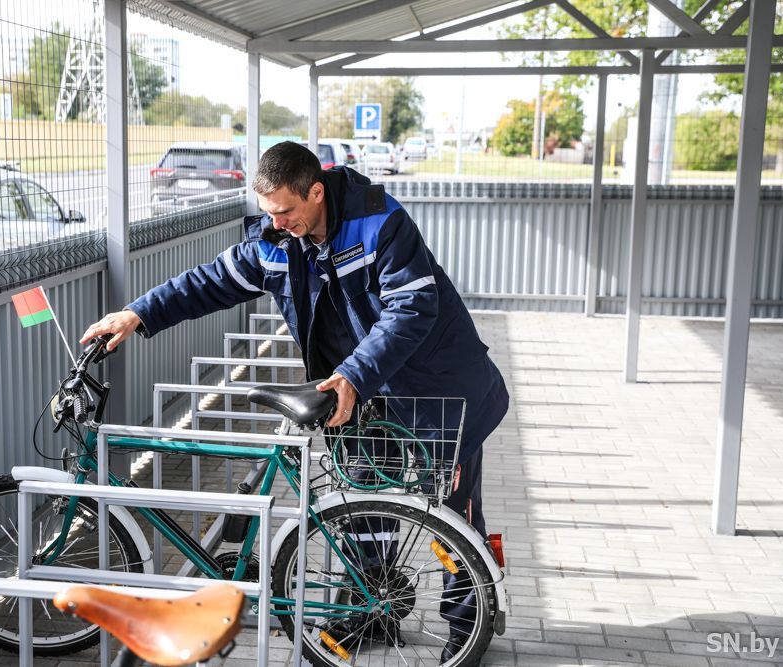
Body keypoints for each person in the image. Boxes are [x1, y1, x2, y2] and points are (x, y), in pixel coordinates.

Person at [81, 140, 509, 661]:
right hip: (356, 396)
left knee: (450, 514)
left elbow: (413, 306)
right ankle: (373, 612)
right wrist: (138, 314)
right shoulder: (277, 241)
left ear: (316, 192)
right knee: (362, 507)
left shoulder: (379, 222)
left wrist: (352, 374)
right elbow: (207, 283)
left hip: (434, 389)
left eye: (285, 210)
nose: (276, 222)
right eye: (268, 212)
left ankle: (468, 623)